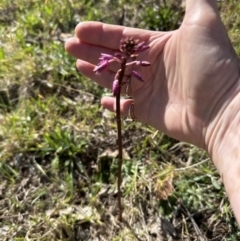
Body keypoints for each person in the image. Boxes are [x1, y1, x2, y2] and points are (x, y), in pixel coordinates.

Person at [65, 0, 240, 225]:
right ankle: (118, 214)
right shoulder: (122, 67)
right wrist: (228, 113)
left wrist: (226, 107)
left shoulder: (139, 64)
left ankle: (121, 215)